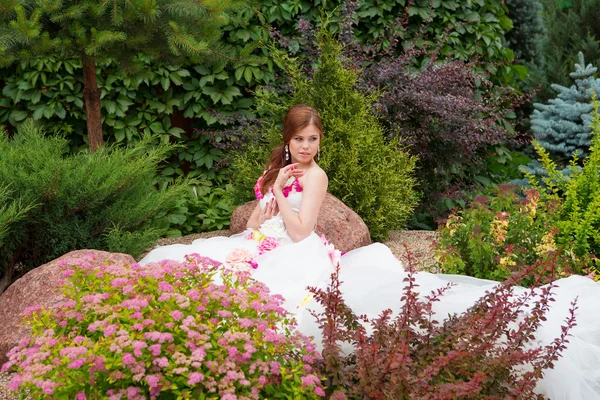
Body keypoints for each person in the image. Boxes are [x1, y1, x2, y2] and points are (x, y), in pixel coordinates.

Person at [140, 104, 600, 399]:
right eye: (299, 139)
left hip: (299, 251)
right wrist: (268, 199)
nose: (305, 146)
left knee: (283, 305)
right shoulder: (279, 169)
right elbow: (259, 223)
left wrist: (281, 195)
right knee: (195, 264)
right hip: (265, 243)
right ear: (287, 140)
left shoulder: (315, 178)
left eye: (313, 139)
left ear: (320, 142)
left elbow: (301, 232)